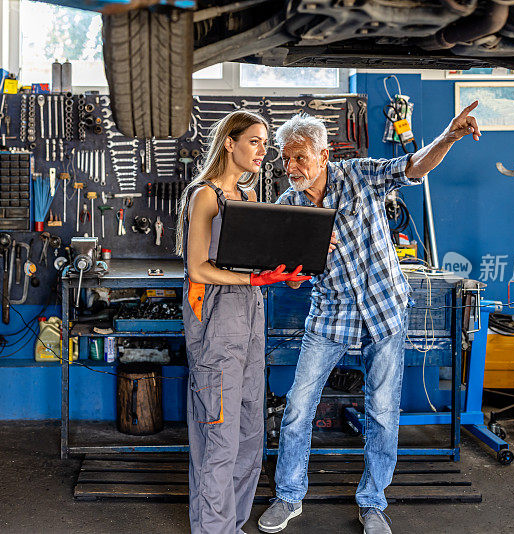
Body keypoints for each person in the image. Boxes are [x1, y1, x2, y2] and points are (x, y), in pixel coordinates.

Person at [257, 102, 481, 534]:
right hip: (330, 316)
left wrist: (449, 136)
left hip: (384, 310)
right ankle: (288, 495)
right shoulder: (289, 205)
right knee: (298, 409)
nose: (291, 166)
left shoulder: (360, 175)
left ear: (324, 156)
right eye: (285, 157)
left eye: (299, 156)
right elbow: (290, 282)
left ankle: (373, 501)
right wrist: (305, 263)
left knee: (382, 411)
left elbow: (414, 166)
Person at [175, 110, 311, 534]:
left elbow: (259, 262)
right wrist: (254, 277)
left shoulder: (250, 200)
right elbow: (197, 268)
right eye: (254, 140)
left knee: (251, 435)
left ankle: (231, 523)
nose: (263, 150)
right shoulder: (205, 196)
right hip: (216, 315)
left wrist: (281, 274)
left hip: (251, 314)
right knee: (220, 436)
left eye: (265, 142)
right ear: (229, 143)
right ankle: (213, 530)